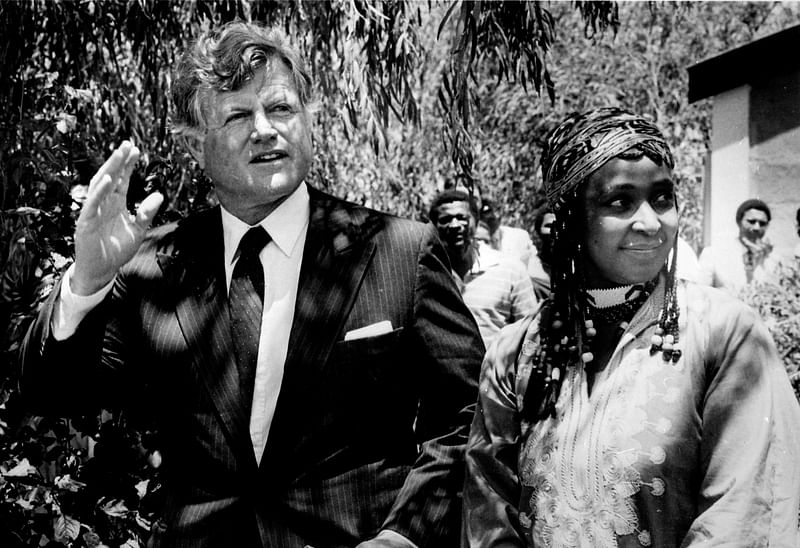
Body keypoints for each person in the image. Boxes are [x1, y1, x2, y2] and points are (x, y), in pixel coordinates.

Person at [19, 22, 485, 548]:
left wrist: (405, 535)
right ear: (196, 148)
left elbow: (470, 413)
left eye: (281, 109)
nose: (265, 129)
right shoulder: (152, 268)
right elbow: (52, 395)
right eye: (239, 116)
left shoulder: (400, 251)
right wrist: (88, 279)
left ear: (308, 120)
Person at [462, 107, 800, 547]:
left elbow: (745, 512)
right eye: (620, 201)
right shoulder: (518, 350)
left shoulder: (725, 334)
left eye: (662, 198)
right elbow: (488, 514)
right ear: (572, 219)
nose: (651, 222)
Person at [429, 190, 537, 349]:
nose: (454, 225)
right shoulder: (426, 273)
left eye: (461, 217)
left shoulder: (510, 269)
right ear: (433, 227)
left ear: (476, 222)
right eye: (445, 219)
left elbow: (530, 332)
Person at [698, 198, 779, 293]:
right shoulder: (714, 254)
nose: (757, 227)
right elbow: (700, 294)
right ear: (739, 221)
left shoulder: (772, 260)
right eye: (751, 221)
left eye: (762, 224)